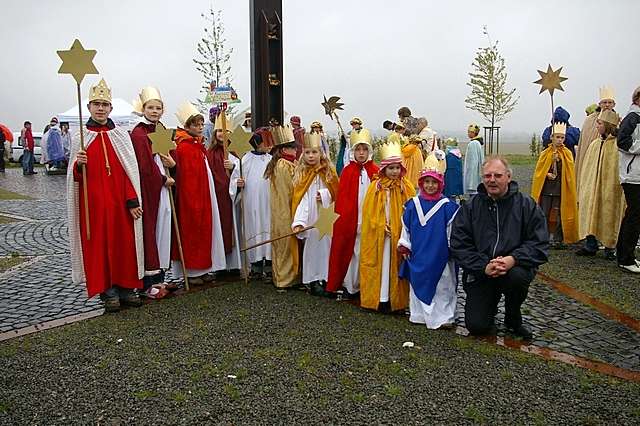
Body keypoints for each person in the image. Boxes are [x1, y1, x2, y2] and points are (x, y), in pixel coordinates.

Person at [66, 78, 144, 312]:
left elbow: (129, 172)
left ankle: (127, 287)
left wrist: (132, 200)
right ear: (89, 107)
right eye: (96, 104)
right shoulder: (81, 137)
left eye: (104, 104)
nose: (100, 108)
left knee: (124, 246)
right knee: (99, 249)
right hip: (94, 206)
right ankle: (107, 291)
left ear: (111, 108)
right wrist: (78, 165)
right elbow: (75, 179)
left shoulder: (120, 136)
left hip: (120, 204)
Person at [450, 156, 548, 339]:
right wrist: (483, 266)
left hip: (512, 270)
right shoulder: (471, 207)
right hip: (482, 272)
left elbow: (539, 243)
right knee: (477, 326)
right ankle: (489, 305)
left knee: (517, 277)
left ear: (508, 177)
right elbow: (459, 244)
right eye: (487, 176)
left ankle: (513, 315)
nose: (492, 180)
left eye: (497, 175)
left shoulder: (526, 205)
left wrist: (513, 259)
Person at [171, 102, 226, 285]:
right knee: (192, 229)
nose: (200, 128)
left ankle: (203, 268)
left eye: (202, 124)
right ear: (187, 126)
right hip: (191, 196)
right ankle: (193, 271)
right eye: (196, 125)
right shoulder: (184, 147)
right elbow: (185, 175)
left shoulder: (197, 145)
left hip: (203, 193)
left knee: (203, 228)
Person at [398, 169, 460, 329]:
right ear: (421, 184)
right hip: (418, 253)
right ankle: (419, 314)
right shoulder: (413, 205)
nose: (430, 186)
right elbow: (406, 227)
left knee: (442, 285)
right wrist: (405, 244)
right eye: (427, 182)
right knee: (418, 281)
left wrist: (451, 249)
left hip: (439, 254)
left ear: (440, 185)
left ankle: (444, 316)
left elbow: (451, 231)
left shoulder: (448, 207)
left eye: (434, 182)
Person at [359, 139, 416, 313]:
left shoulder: (405, 186)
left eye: (397, 168)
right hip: (381, 235)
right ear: (384, 169)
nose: (394, 171)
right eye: (391, 168)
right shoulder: (376, 187)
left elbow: (411, 209)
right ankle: (380, 298)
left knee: (397, 265)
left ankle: (396, 300)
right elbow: (368, 211)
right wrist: (380, 225)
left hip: (399, 234)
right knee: (381, 265)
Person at [129, 87, 175, 297]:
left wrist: (172, 164)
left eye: (158, 108)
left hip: (163, 190)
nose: (154, 111)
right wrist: (164, 178)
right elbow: (144, 167)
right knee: (152, 230)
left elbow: (169, 157)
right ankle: (149, 280)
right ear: (143, 108)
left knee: (164, 228)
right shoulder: (139, 133)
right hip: (151, 190)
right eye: (151, 107)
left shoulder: (162, 130)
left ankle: (160, 276)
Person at [326, 129, 379, 298]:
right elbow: (342, 198)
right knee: (351, 251)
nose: (361, 153)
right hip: (350, 219)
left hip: (369, 218)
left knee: (367, 252)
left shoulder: (376, 172)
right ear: (353, 151)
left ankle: (367, 285)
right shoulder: (348, 172)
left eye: (364, 149)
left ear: (369, 151)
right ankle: (351, 285)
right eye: (358, 149)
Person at [291, 133, 339, 296]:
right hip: (310, 217)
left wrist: (325, 194)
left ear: (321, 153)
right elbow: (300, 199)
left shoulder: (329, 172)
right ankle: (312, 280)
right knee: (312, 248)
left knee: (327, 247)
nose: (311, 156)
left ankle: (326, 278)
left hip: (326, 216)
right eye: (308, 152)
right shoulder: (302, 174)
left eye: (314, 152)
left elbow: (336, 194)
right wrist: (299, 222)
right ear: (303, 154)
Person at [577, 110, 625, 260]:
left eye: (599, 123)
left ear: (608, 125)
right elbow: (587, 168)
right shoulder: (594, 145)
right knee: (590, 211)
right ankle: (590, 244)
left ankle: (610, 246)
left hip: (610, 188)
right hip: (592, 187)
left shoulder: (617, 146)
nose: (596, 126)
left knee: (608, 213)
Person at [207, 111, 244, 276]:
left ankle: (235, 264)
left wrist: (235, 171)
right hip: (217, 196)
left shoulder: (236, 152)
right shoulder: (211, 153)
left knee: (234, 227)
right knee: (220, 228)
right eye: (220, 131)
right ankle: (220, 265)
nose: (223, 134)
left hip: (232, 198)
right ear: (215, 133)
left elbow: (243, 172)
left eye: (226, 131)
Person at [531, 123, 578, 247]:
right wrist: (547, 173)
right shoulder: (545, 153)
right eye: (557, 137)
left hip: (560, 189)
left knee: (558, 214)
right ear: (552, 137)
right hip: (547, 189)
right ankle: (543, 237)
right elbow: (539, 172)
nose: (559, 140)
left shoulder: (567, 153)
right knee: (544, 212)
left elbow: (569, 172)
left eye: (562, 138)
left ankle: (558, 238)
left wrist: (560, 161)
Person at [264, 126, 299, 288]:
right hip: (285, 210)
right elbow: (289, 190)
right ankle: (284, 279)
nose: (295, 151)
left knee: (287, 243)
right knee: (285, 243)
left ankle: (288, 276)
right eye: (293, 148)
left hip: (284, 210)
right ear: (284, 149)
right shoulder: (283, 166)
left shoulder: (288, 163)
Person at [242, 131, 273, 280]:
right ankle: (255, 265)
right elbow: (237, 178)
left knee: (268, 228)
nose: (269, 145)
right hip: (252, 202)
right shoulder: (246, 160)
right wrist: (237, 184)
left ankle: (269, 264)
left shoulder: (272, 160)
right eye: (265, 142)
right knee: (254, 229)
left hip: (268, 202)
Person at [616, 86, 640, 273]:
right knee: (634, 215)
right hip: (632, 176)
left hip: (636, 174)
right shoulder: (632, 118)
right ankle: (626, 257)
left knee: (632, 215)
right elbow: (622, 141)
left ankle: (624, 253)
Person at [575, 86, 616, 188]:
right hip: (591, 156)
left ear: (614, 104)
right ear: (600, 104)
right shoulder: (590, 119)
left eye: (610, 102)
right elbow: (584, 142)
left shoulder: (617, 119)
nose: (607, 105)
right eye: (604, 102)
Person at [463, 124, 484, 195]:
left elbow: (473, 162)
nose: (468, 133)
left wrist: (471, 180)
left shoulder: (473, 144)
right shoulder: (477, 143)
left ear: (473, 133)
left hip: (473, 174)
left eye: (469, 132)